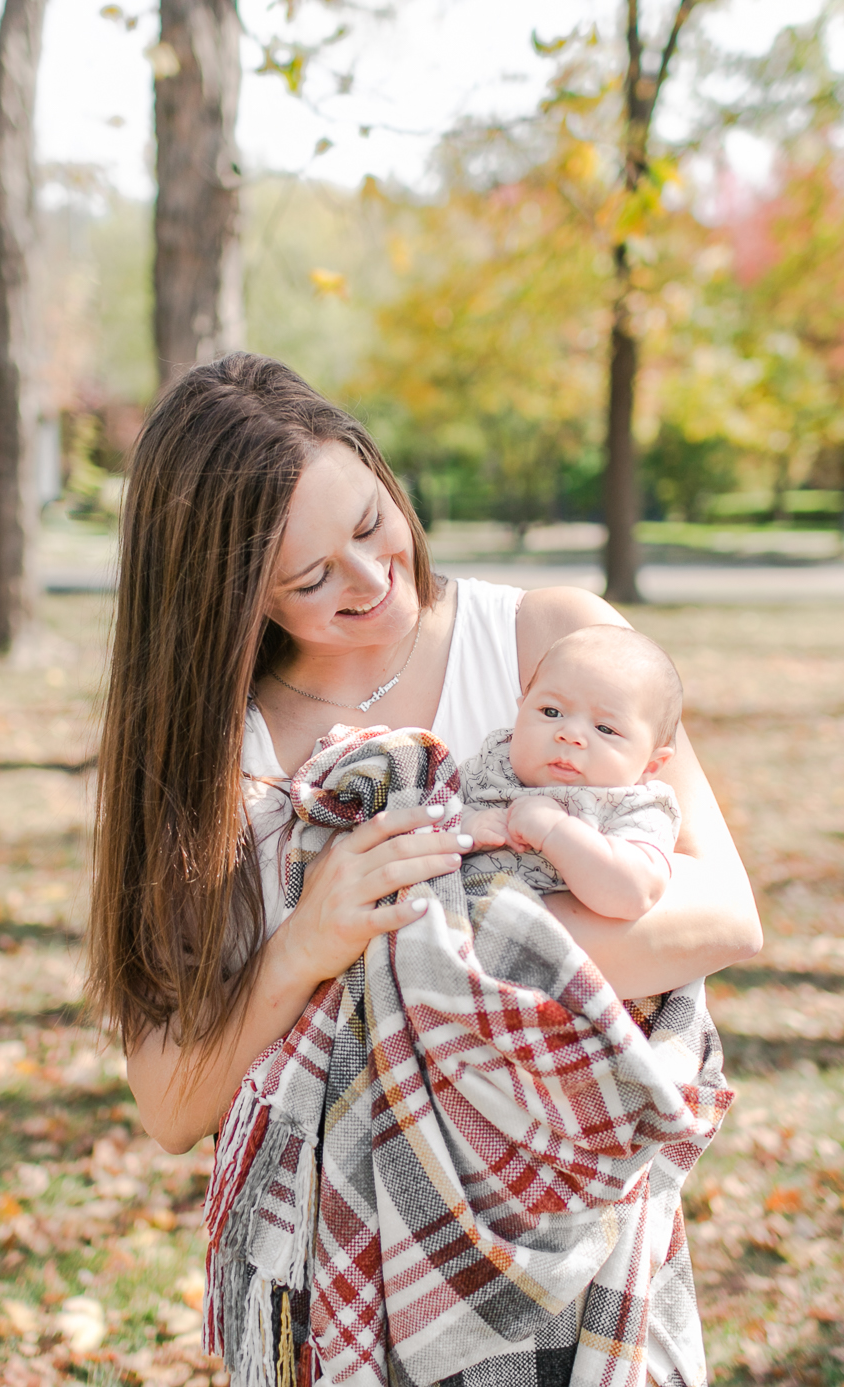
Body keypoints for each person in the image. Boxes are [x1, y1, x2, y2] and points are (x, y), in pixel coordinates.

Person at [86, 350, 762, 1161]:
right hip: (338, 1261)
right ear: (235, 596)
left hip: (570, 1226)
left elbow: (726, 912)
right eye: (311, 579)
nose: (373, 580)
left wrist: (423, 937)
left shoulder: (550, 642)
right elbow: (169, 1103)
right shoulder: (217, 754)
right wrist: (305, 942)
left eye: (372, 524)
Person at [458, 623, 685, 922]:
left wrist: (555, 831)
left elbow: (634, 894)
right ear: (521, 710)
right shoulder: (493, 761)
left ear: (650, 766)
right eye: (551, 712)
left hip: (534, 943)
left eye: (605, 729)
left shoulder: (636, 808)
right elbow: (423, 814)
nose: (570, 734)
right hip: (448, 916)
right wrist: (465, 824)